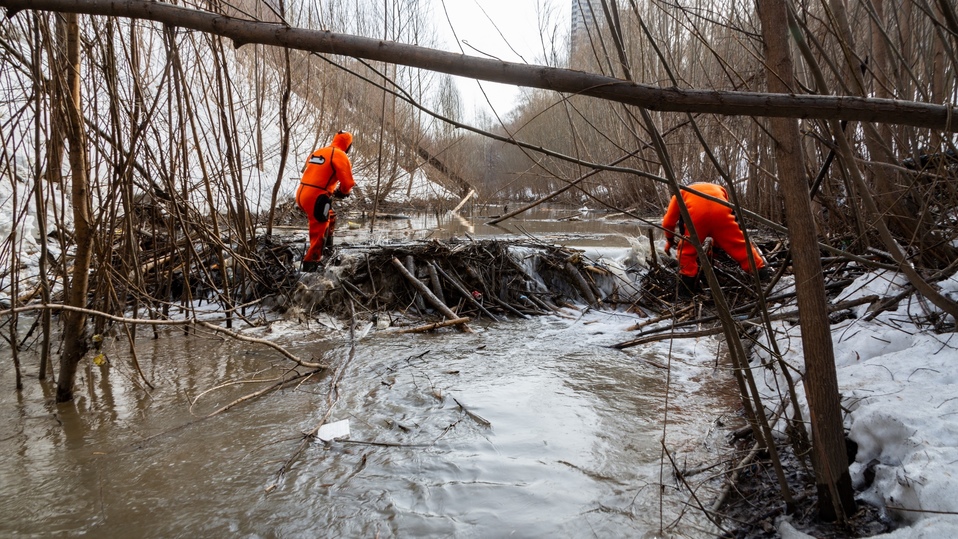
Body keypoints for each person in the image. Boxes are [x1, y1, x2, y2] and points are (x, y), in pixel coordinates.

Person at [662, 182, 769, 294]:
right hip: (722, 215)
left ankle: (686, 292)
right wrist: (715, 250)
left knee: (686, 254)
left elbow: (667, 223)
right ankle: (764, 280)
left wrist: (669, 241)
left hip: (697, 219)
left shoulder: (680, 193)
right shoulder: (720, 189)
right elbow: (719, 217)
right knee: (740, 247)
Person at [296, 130, 355, 272]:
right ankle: (309, 268)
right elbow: (347, 183)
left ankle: (328, 251)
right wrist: (343, 192)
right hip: (316, 197)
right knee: (318, 233)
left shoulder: (319, 151)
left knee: (330, 216)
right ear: (348, 146)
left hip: (301, 194)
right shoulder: (340, 155)